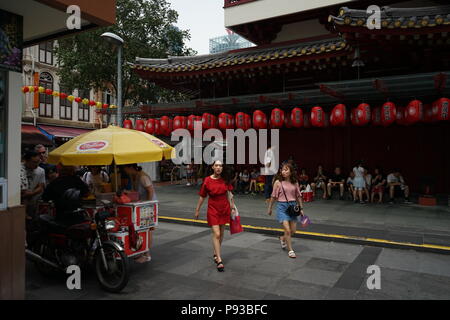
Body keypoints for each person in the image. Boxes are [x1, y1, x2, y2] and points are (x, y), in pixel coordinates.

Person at [195, 160, 235, 272]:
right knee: (216, 233)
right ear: (212, 167)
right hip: (213, 209)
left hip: (224, 209)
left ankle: (215, 252)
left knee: (221, 233)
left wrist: (232, 207)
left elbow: (230, 194)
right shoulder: (207, 180)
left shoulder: (225, 180)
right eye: (216, 165)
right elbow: (202, 196)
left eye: (221, 165)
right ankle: (219, 259)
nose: (219, 167)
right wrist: (197, 210)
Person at [267, 163, 305, 259]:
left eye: (286, 169)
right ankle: (291, 250)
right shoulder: (278, 182)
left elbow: (299, 196)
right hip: (282, 207)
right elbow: (273, 196)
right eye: (282, 170)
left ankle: (282, 238)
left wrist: (301, 208)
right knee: (287, 230)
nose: (283, 171)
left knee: (293, 231)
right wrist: (270, 208)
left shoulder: (295, 182)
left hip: (293, 207)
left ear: (291, 171)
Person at [122, 164, 157, 263]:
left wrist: (148, 204)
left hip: (147, 207)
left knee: (148, 230)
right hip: (143, 207)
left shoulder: (142, 177)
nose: (126, 172)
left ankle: (147, 254)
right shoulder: (136, 176)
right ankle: (143, 252)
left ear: (131, 168)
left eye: (126, 170)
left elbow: (150, 190)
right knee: (143, 229)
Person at [20, 151, 46, 219]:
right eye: (34, 162)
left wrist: (31, 193)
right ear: (26, 161)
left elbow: (41, 187)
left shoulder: (41, 171)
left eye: (38, 161)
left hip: (33, 200)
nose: (37, 164)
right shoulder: (19, 169)